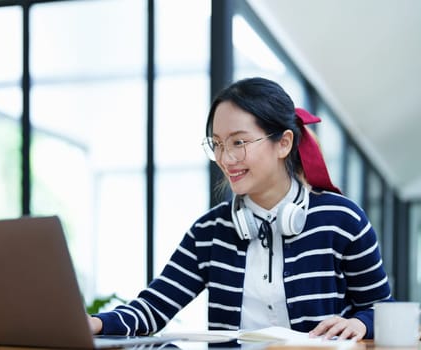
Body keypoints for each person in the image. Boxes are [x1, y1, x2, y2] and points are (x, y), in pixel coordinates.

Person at [88, 77, 392, 341]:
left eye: (238, 142)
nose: (226, 158)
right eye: (217, 144)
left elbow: (382, 311)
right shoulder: (208, 232)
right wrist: (95, 324)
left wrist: (359, 324)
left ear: (284, 143)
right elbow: (154, 307)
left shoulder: (343, 220)